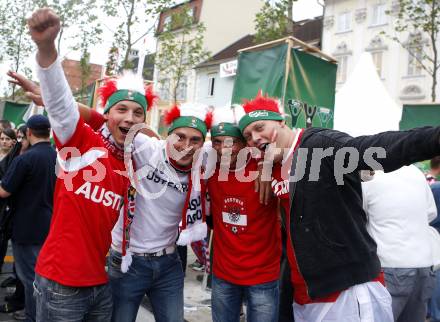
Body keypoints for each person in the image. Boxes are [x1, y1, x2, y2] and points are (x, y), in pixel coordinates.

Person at [236, 92, 440, 322]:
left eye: (260, 127)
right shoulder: (270, 163)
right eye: (248, 136)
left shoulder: (319, 145)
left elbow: (372, 149)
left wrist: (433, 139)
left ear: (282, 121)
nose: (255, 137)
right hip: (304, 292)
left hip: (347, 290)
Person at [26, 8, 154, 321]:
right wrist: (47, 49)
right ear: (106, 115)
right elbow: (60, 104)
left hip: (101, 282)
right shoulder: (80, 141)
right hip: (61, 284)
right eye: (121, 110)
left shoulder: (131, 162)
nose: (130, 118)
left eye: (138, 113)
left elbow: (160, 140)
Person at [207, 106, 281, 322]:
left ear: (245, 145)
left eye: (231, 142)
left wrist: (267, 162)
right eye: (217, 142)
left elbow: (297, 153)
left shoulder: (265, 170)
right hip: (223, 275)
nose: (223, 149)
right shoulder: (209, 169)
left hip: (263, 275)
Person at [0, 115, 56, 322]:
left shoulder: (26, 158)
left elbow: (4, 191)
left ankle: (33, 316)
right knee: (40, 275)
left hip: (25, 226)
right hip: (47, 224)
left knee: (30, 277)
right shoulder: (56, 156)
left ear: (29, 133)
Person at [362, 165, 436, 322]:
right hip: (423, 264)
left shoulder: (369, 175)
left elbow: (358, 215)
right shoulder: (416, 172)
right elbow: (431, 213)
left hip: (389, 264)